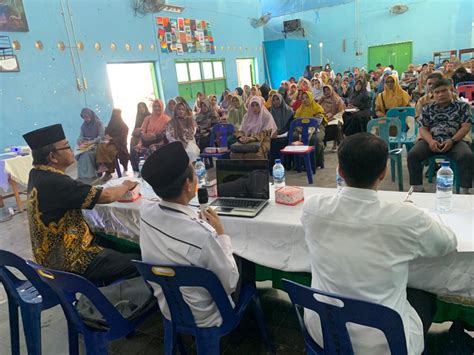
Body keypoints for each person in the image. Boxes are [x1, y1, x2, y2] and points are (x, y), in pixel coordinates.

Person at [302, 132, 457, 355]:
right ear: (384, 173)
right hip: (384, 344)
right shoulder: (407, 218)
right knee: (424, 293)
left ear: (340, 171)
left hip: (323, 332)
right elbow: (447, 244)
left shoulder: (313, 208)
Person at [23, 124, 140, 285]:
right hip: (73, 260)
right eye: (67, 146)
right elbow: (106, 196)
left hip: (50, 259)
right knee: (139, 261)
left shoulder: (36, 174)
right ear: (53, 157)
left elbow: (78, 193)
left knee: (114, 242)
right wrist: (126, 185)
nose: (72, 150)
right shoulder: (55, 181)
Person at [139, 142, 241, 327]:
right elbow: (229, 284)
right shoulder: (203, 235)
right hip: (206, 317)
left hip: (168, 309)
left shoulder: (145, 212)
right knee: (242, 269)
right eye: (195, 173)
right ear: (188, 185)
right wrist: (221, 234)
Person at [408, 79, 473, 194]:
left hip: (455, 141)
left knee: (467, 156)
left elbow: (466, 126)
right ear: (432, 94)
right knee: (413, 155)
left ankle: (464, 191)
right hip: (431, 141)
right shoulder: (427, 108)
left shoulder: (462, 107)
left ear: (451, 90)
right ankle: (418, 189)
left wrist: (452, 141)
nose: (440, 94)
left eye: (444, 91)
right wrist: (431, 141)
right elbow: (423, 128)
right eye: (437, 92)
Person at [131, 99, 170, 173]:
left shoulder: (166, 119)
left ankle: (155, 172)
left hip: (160, 142)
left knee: (152, 149)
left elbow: (166, 134)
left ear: (162, 107)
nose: (157, 108)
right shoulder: (148, 118)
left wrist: (155, 139)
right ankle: (141, 172)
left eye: (159, 106)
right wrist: (139, 144)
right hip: (146, 141)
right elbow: (142, 130)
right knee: (135, 150)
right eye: (155, 106)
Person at [294, 91, 327, 168]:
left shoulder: (317, 108)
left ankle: (314, 163)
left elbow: (318, 122)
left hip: (317, 128)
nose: (305, 100)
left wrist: (309, 129)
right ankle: (299, 163)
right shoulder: (299, 110)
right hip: (302, 129)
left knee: (314, 139)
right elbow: (296, 122)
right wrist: (299, 129)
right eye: (303, 98)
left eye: (307, 97)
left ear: (311, 97)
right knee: (294, 137)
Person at [96, 109, 130, 180]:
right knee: (100, 146)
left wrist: (112, 138)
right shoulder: (110, 125)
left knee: (109, 151)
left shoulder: (124, 126)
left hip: (118, 145)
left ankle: (108, 172)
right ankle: (102, 165)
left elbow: (122, 140)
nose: (115, 117)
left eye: (116, 115)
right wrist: (106, 136)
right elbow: (106, 133)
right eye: (114, 115)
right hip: (109, 142)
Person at [76, 108, 104, 179]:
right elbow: (81, 136)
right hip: (87, 144)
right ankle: (83, 175)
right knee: (79, 153)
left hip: (97, 144)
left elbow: (101, 136)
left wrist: (92, 141)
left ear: (91, 115)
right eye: (84, 117)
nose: (85, 119)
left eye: (87, 117)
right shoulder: (83, 126)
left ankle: (91, 174)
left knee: (87, 154)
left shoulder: (98, 123)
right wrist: (79, 140)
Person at [269, 92, 294, 164]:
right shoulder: (271, 113)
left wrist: (278, 132)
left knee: (278, 142)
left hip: (286, 134)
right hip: (275, 134)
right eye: (273, 100)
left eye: (277, 99)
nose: (276, 101)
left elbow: (289, 126)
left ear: (281, 100)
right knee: (272, 141)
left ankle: (281, 163)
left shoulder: (289, 111)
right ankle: (274, 164)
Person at [319, 85, 345, 151]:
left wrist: (333, 117)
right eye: (325, 91)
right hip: (324, 117)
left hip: (335, 117)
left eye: (328, 90)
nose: (326, 92)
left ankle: (335, 144)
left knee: (335, 126)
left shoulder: (337, 99)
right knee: (321, 124)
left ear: (331, 90)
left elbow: (341, 111)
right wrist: (320, 101)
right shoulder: (323, 99)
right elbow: (317, 108)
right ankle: (324, 143)